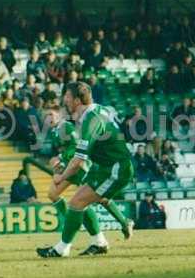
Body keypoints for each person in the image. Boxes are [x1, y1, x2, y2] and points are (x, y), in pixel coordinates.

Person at [36, 81, 134, 258]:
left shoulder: (91, 119)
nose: (64, 100)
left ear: (76, 101)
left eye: (67, 96)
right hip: (105, 166)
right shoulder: (94, 113)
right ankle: (100, 241)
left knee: (77, 203)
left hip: (115, 168)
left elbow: (79, 160)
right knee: (83, 201)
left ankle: (62, 248)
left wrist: (61, 175)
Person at [45, 107, 133, 238]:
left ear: (59, 115)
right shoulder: (54, 131)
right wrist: (59, 158)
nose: (48, 118)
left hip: (79, 166)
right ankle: (73, 222)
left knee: (87, 198)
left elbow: (76, 146)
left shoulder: (66, 127)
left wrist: (61, 159)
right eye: (46, 116)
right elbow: (64, 149)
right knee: (55, 194)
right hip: (70, 165)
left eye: (51, 114)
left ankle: (75, 222)